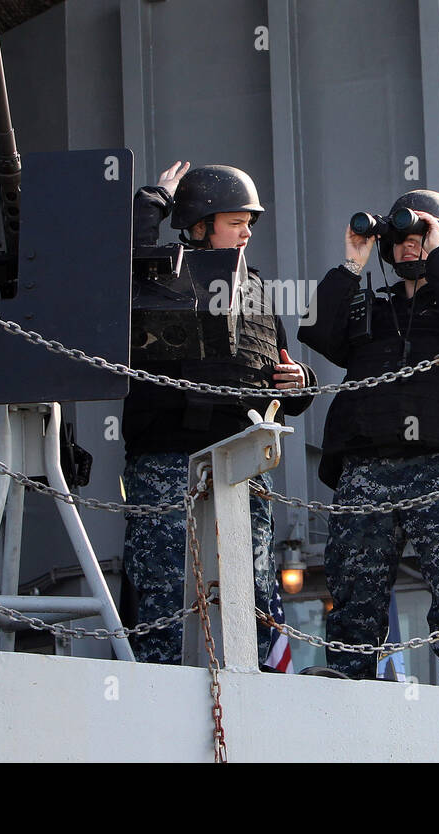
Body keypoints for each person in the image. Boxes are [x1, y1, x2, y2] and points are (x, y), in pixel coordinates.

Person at [299, 190, 439, 686]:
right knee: (354, 588)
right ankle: (347, 681)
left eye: (421, 239)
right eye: (403, 241)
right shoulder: (373, 307)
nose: (410, 249)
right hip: (365, 467)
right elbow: (319, 332)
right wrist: (352, 262)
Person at [121, 161, 315, 666]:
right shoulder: (161, 276)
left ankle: (258, 685)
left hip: (241, 461)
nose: (247, 232)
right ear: (202, 225)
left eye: (249, 222)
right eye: (235, 221)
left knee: (251, 585)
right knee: (163, 583)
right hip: (169, 458)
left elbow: (281, 371)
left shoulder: (257, 288)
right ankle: (157, 690)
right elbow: (121, 265)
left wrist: (301, 383)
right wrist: (153, 204)